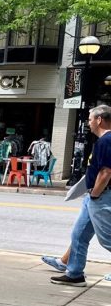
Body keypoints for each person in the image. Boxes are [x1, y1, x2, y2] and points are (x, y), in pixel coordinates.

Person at [51, 105, 111, 286]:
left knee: (107, 239)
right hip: (93, 196)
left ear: (99, 120)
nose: (89, 123)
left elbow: (106, 172)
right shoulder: (103, 141)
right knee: (79, 235)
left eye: (90, 119)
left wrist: (95, 194)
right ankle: (74, 274)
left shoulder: (107, 141)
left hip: (100, 196)